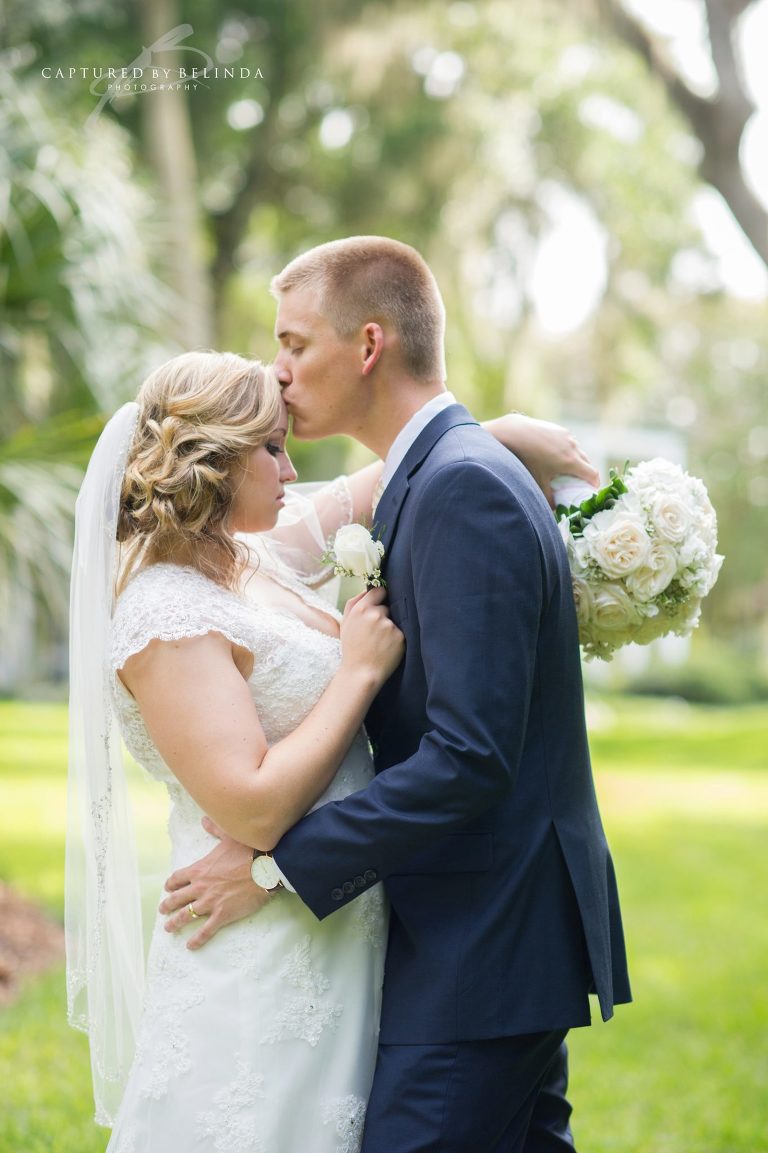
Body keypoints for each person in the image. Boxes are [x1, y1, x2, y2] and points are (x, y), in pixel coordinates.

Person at [158, 237, 631, 1153]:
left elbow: (469, 755)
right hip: (485, 937)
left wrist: (274, 866)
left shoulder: (461, 488)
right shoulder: (438, 474)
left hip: (482, 947)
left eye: (295, 344)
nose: (278, 370)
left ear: (368, 345)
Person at [66, 345, 591, 1151]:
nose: (291, 470)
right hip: (256, 950)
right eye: (271, 449)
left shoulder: (249, 561)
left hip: (341, 929)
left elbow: (402, 471)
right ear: (209, 462)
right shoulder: (164, 612)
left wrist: (499, 432)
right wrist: (355, 673)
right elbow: (257, 804)